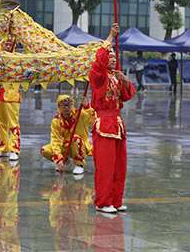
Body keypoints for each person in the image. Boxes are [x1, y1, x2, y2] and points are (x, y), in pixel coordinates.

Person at [90, 23, 134, 214]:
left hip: (117, 124)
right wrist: (110, 36)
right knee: (105, 165)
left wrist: (125, 80)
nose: (112, 58)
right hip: (104, 122)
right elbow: (98, 60)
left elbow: (126, 96)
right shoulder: (97, 76)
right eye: (110, 55)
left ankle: (116, 199)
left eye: (114, 56)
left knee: (119, 166)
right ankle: (102, 201)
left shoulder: (115, 76)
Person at [40, 94, 96, 175]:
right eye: (63, 105)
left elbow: (95, 120)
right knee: (45, 150)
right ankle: (64, 160)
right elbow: (55, 140)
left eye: (69, 104)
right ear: (59, 107)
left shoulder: (80, 114)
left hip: (81, 146)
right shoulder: (56, 121)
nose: (66, 107)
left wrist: (87, 106)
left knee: (75, 138)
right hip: (67, 145)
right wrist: (58, 160)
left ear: (72, 105)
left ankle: (79, 164)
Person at [0, 38, 22, 161]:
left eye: (10, 44)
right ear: (1, 45)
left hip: (12, 95)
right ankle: (3, 148)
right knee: (1, 124)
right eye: (6, 44)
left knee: (13, 124)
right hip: (0, 96)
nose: (8, 46)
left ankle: (14, 149)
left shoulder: (18, 60)